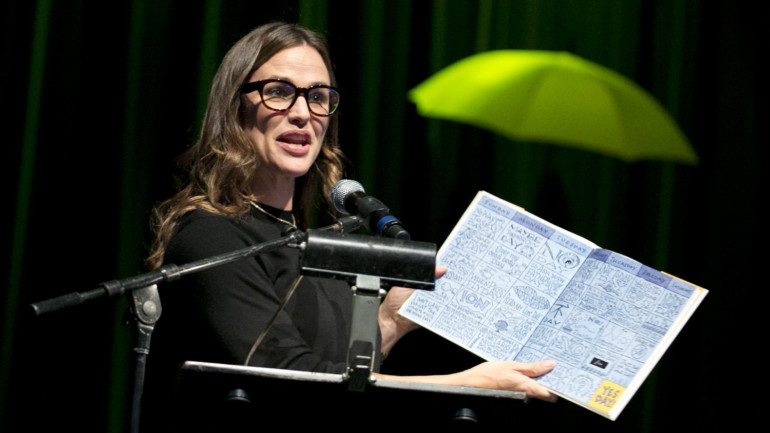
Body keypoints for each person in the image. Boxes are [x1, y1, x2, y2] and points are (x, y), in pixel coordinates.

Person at [142, 22, 555, 430]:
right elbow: (291, 382)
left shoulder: (318, 244)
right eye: (279, 92)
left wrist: (390, 320)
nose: (302, 113)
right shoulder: (211, 235)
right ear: (236, 106)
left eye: (318, 97)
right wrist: (465, 386)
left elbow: (341, 387)